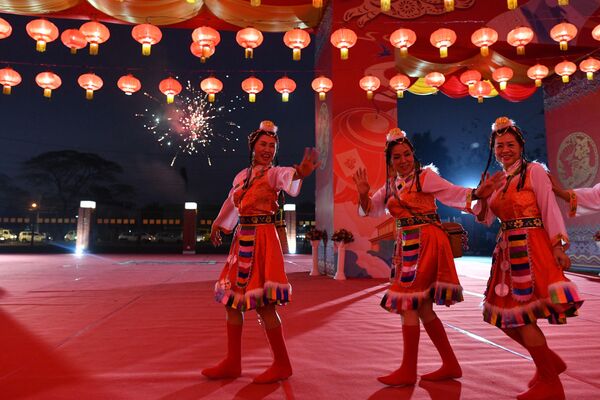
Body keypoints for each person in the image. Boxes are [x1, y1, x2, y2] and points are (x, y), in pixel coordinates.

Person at [353, 127, 497, 386]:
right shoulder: (391, 185)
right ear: (390, 161)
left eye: (406, 154)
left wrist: (477, 193)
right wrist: (363, 193)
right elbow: (370, 210)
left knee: (408, 302)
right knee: (423, 308)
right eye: (397, 157)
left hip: (427, 241)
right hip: (407, 244)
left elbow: (452, 192)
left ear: (413, 154)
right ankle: (450, 363)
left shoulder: (425, 177)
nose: (403, 160)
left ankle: (408, 370)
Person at [202, 120, 319, 384]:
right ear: (252, 147)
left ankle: (282, 363)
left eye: (272, 146)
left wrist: (302, 172)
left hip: (264, 241)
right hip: (241, 241)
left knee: (265, 306)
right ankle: (232, 362)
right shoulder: (242, 177)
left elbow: (291, 176)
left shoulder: (274, 173)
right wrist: (218, 224)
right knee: (232, 303)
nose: (267, 149)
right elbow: (231, 203)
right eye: (263, 144)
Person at [474, 117, 583, 400]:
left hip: (532, 246)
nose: (505, 150)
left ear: (521, 146)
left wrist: (558, 245)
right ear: (493, 150)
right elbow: (484, 219)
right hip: (506, 251)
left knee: (521, 318)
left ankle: (550, 381)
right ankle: (549, 363)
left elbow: (549, 209)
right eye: (499, 146)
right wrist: (483, 196)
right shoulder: (497, 180)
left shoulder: (534, 171)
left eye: (510, 144)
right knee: (502, 317)